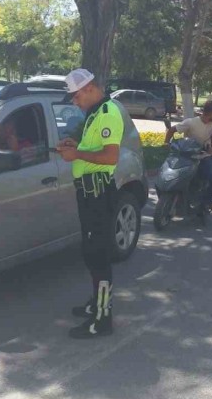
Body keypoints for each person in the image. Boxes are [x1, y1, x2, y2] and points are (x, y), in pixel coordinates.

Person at [56, 68, 125, 339]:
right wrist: (77, 144)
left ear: (88, 89)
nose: (74, 101)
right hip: (88, 193)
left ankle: (102, 318)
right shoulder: (95, 113)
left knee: (98, 255)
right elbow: (95, 148)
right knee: (90, 252)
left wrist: (76, 154)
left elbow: (110, 157)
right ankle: (96, 303)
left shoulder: (108, 112)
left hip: (98, 193)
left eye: (75, 96)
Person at [164, 100, 212, 209]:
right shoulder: (191, 122)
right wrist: (166, 143)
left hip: (202, 156)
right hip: (185, 156)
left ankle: (208, 201)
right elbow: (172, 130)